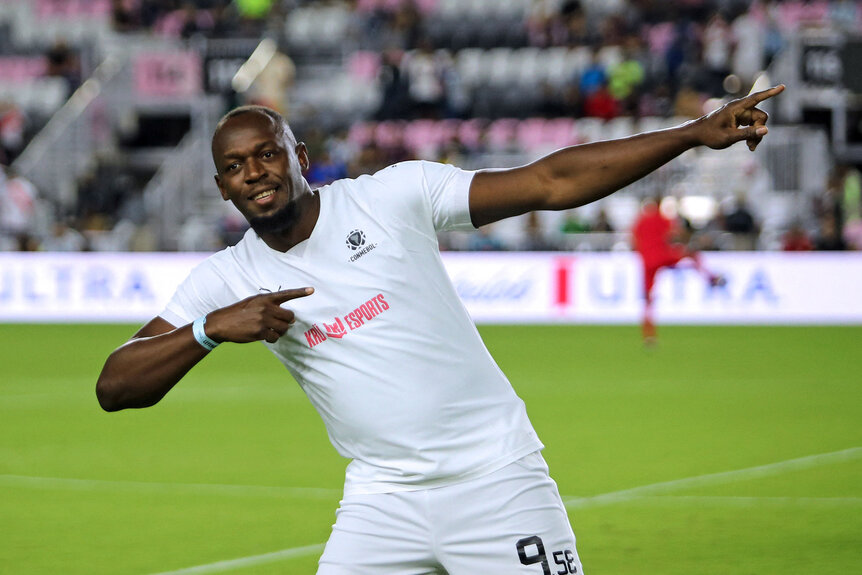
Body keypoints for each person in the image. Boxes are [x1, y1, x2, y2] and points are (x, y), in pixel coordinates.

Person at [96, 85, 784, 574]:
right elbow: (115, 383)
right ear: (222, 188)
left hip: (496, 476)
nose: (256, 174)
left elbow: (550, 181)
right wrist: (211, 329)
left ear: (299, 154)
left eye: (267, 155)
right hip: (381, 498)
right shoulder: (226, 277)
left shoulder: (391, 196)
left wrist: (693, 135)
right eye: (237, 168)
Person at [632, 195, 726, 346]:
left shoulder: (640, 221)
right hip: (663, 255)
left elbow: (634, 239)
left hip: (647, 261)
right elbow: (676, 234)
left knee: (648, 298)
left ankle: (649, 335)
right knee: (690, 255)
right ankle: (710, 277)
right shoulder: (663, 219)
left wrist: (641, 252)